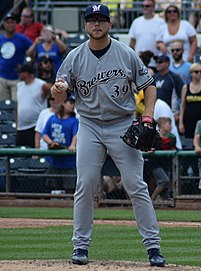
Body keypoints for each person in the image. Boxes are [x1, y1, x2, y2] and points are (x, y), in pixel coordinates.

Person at [51, 4, 165, 267]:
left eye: (102, 19)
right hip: (89, 124)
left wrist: (147, 115)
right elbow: (58, 96)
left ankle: (153, 246)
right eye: (92, 20)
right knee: (86, 184)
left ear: (110, 24)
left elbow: (149, 87)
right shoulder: (75, 57)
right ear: (86, 25)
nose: (97, 24)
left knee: (135, 185)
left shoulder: (126, 53)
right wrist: (58, 90)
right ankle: (80, 246)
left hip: (122, 123)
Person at [42, 97, 79, 194]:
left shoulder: (74, 121)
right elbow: (44, 134)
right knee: (54, 189)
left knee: (70, 190)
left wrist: (72, 145)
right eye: (70, 102)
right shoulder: (52, 118)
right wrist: (50, 142)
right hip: (54, 161)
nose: (72, 105)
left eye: (73, 103)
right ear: (63, 103)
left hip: (69, 163)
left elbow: (76, 135)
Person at [16, 63, 50, 148]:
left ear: (26, 73)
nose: (18, 75)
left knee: (34, 154)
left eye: (20, 73)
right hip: (21, 127)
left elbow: (53, 90)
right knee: (19, 154)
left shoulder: (41, 84)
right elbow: (18, 105)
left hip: (35, 126)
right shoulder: (19, 85)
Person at [0, 13, 32, 101]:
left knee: (17, 104)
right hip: (2, 77)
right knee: (2, 105)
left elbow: (33, 50)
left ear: (15, 24)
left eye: (12, 22)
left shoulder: (22, 38)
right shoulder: (1, 39)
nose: (10, 24)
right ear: (4, 25)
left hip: (17, 78)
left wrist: (27, 64)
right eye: (8, 22)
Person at [179, 63, 201, 139]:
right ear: (191, 73)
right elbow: (182, 106)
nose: (199, 74)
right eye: (196, 71)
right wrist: (181, 122)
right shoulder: (185, 87)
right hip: (189, 119)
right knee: (190, 141)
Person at [129, 0, 165, 71]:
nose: (145, 8)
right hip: (139, 62)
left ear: (154, 7)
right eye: (143, 6)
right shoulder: (136, 22)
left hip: (156, 63)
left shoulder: (161, 22)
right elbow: (132, 43)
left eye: (147, 6)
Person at [153, 54, 184, 120]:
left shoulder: (174, 78)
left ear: (167, 63)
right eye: (156, 62)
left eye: (160, 62)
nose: (157, 64)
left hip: (170, 113)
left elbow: (182, 95)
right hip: (156, 112)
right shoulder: (154, 77)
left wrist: (179, 113)